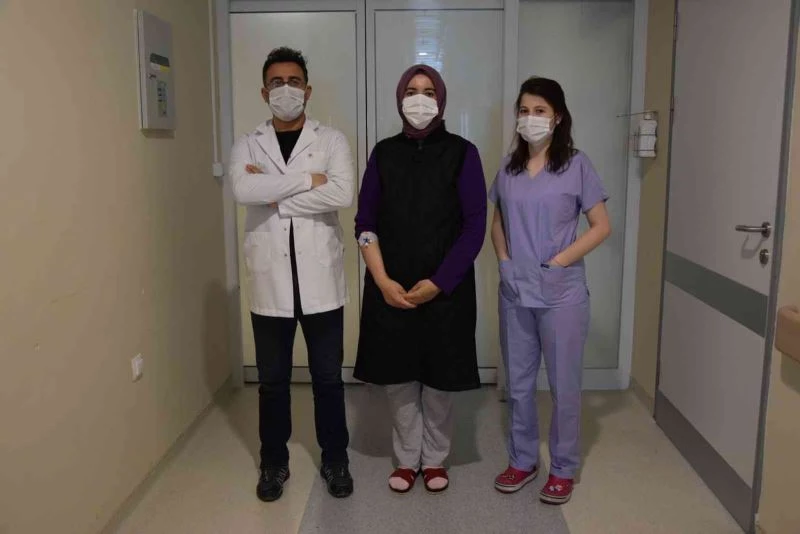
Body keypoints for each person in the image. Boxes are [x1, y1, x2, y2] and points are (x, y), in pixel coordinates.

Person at [353, 64, 487, 494]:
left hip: (445, 289)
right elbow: (364, 223)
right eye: (411, 91)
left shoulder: (463, 153)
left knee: (438, 380)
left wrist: (440, 282)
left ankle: (434, 458)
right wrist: (381, 279)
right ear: (399, 98)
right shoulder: (383, 154)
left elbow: (475, 227)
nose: (420, 99)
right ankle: (408, 457)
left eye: (429, 92)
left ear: (441, 100)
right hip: (391, 287)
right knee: (398, 379)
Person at [229, 47, 355, 502]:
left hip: (320, 281)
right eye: (277, 82)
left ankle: (335, 459)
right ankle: (273, 462)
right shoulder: (247, 143)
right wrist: (306, 181)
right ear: (264, 92)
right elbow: (242, 189)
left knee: (328, 379)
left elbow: (342, 194)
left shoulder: (332, 140)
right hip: (271, 283)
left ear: (308, 89)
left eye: (294, 81)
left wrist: (273, 193)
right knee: (272, 382)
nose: (286, 89)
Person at [490, 77, 611, 504]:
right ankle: (523, 460)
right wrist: (504, 261)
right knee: (519, 384)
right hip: (516, 290)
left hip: (561, 295)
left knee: (564, 386)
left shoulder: (576, 165)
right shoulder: (509, 169)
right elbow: (498, 222)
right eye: (524, 110)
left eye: (539, 111)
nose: (530, 118)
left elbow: (601, 226)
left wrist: (558, 262)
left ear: (557, 117)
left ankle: (562, 468)